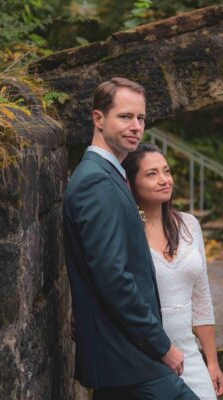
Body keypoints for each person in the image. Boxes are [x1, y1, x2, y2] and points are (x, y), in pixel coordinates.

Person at [63, 77, 200, 400]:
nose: (136, 126)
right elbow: (113, 276)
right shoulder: (96, 181)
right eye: (125, 117)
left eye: (141, 118)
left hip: (123, 356)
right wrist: (161, 345)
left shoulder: (110, 175)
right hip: (128, 358)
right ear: (98, 119)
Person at [122, 143, 223, 399]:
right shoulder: (126, 231)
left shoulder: (189, 225)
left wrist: (211, 362)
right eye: (151, 174)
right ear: (131, 183)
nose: (164, 180)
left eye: (166, 171)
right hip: (147, 356)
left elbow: (201, 298)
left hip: (189, 354)